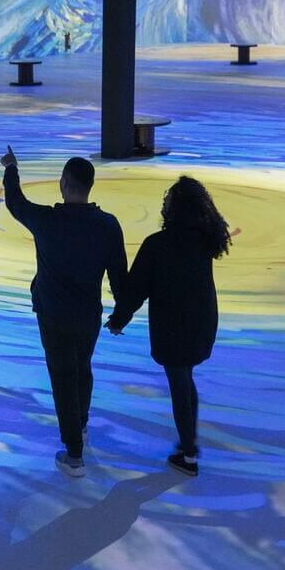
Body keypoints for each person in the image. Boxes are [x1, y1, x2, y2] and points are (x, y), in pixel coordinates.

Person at [0, 146, 127, 477]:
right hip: (88, 315)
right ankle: (80, 427)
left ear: (65, 184)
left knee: (62, 377)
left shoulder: (47, 221)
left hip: (53, 315)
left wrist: (12, 168)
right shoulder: (108, 226)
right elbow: (119, 278)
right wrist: (121, 316)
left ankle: (74, 455)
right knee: (82, 369)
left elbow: (15, 203)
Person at [105, 176, 231, 477]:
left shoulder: (158, 245)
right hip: (201, 323)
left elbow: (136, 289)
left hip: (174, 327)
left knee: (179, 384)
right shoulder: (204, 239)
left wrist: (118, 319)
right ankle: (190, 445)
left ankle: (188, 454)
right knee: (185, 379)